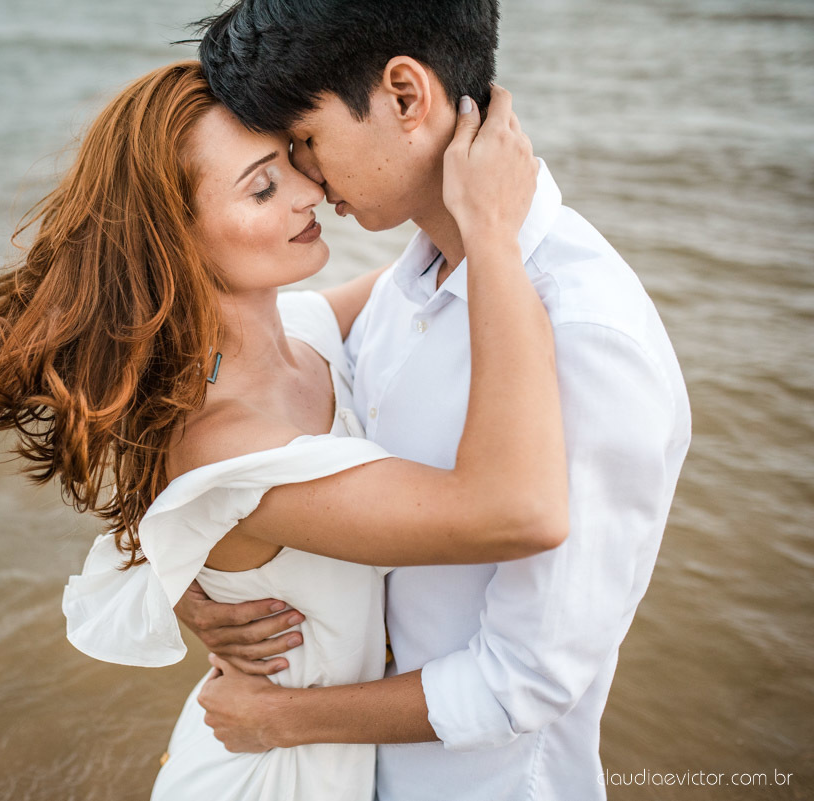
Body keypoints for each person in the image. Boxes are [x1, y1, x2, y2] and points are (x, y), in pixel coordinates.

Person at [0, 60, 558, 800]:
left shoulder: (304, 334)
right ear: (176, 240)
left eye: (294, 159)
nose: (311, 190)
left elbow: (425, 274)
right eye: (262, 187)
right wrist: (494, 231)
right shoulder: (229, 445)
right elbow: (513, 510)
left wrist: (457, 159)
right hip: (262, 778)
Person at [181, 3, 693, 800]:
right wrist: (192, 568)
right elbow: (212, 415)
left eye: (307, 142)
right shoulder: (406, 286)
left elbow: (525, 679)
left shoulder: (591, 336)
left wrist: (285, 717)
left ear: (405, 97)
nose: (308, 180)